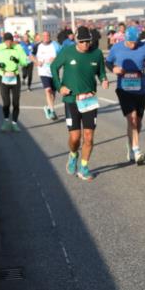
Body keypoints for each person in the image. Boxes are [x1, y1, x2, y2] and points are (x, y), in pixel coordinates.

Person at [50, 26, 109, 181]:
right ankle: (73, 154)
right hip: (71, 100)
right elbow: (54, 67)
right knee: (75, 137)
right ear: (76, 40)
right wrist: (59, 87)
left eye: (87, 41)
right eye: (82, 41)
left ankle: (84, 167)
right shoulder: (67, 52)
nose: (85, 44)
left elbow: (101, 72)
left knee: (88, 137)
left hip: (89, 100)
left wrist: (103, 79)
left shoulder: (97, 53)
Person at [105, 25, 145, 164]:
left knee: (138, 122)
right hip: (123, 89)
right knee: (132, 119)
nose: (133, 45)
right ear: (125, 39)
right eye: (130, 42)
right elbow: (108, 62)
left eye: (135, 42)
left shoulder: (144, 47)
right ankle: (137, 150)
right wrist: (114, 68)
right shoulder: (116, 48)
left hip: (140, 89)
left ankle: (130, 145)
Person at [0, 32, 30, 133]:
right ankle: (6, 121)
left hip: (15, 77)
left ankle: (14, 123)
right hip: (3, 77)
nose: (9, 43)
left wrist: (17, 61)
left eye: (10, 41)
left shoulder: (18, 47)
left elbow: (25, 62)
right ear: (4, 41)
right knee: (6, 102)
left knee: (16, 102)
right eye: (6, 41)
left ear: (13, 41)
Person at [35, 30, 60, 120]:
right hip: (43, 71)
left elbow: (62, 54)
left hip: (53, 71)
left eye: (47, 35)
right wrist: (36, 62)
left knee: (53, 92)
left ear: (50, 36)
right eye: (44, 36)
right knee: (48, 90)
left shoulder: (55, 45)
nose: (46, 37)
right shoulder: (37, 46)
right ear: (42, 37)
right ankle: (52, 111)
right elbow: (31, 55)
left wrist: (56, 58)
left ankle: (48, 108)